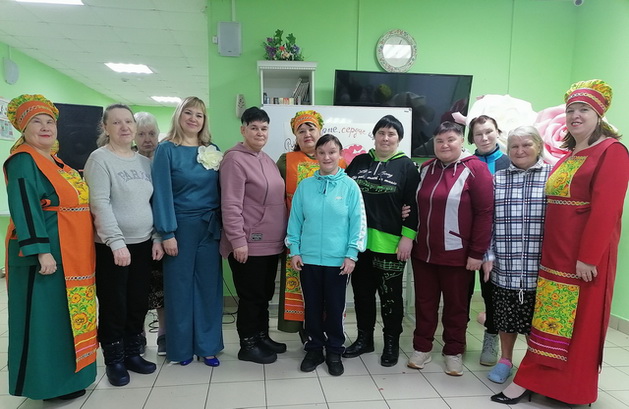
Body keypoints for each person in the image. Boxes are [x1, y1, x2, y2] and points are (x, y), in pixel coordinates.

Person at [492, 80, 629, 405]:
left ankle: (567, 389)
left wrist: (588, 257)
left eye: (584, 110)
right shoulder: (571, 155)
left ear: (599, 114)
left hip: (582, 264)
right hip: (554, 259)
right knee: (550, 325)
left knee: (577, 329)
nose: (575, 116)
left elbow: (607, 210)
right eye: (570, 110)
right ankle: (537, 381)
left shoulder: (612, 151)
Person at [4, 94, 97, 400]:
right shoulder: (23, 160)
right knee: (45, 320)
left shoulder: (57, 162)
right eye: (36, 122)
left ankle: (71, 378)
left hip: (73, 254)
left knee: (68, 317)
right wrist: (41, 251)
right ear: (23, 127)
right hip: (48, 254)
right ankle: (47, 384)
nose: (45, 127)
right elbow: (25, 205)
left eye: (50, 122)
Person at [84, 104, 161, 386]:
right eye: (116, 122)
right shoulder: (99, 159)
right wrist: (115, 242)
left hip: (143, 244)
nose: (124, 127)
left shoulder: (144, 162)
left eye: (128, 121)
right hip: (112, 248)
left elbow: (153, 203)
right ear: (105, 128)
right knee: (114, 304)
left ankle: (132, 354)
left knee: (137, 303)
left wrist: (157, 237)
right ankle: (114, 360)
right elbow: (99, 203)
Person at [408, 121, 493, 376]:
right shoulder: (426, 168)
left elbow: (485, 213)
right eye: (439, 141)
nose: (444, 145)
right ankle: (422, 347)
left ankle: (453, 351)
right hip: (423, 252)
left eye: (450, 140)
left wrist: (477, 253)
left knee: (456, 306)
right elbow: (415, 204)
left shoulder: (476, 169)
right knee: (424, 304)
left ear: (461, 141)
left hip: (458, 255)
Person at [286, 134, 367, 376]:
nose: (327, 157)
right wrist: (294, 250)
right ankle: (314, 348)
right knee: (311, 307)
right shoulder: (305, 186)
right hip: (308, 259)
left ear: (340, 154)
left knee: (334, 307)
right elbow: (295, 220)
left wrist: (351, 254)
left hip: (338, 261)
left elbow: (358, 222)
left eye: (332, 152)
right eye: (321, 152)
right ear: (316, 155)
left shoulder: (350, 186)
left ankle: (334, 349)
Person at [152, 96, 223, 367]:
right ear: (179, 116)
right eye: (188, 113)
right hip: (179, 227)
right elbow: (161, 193)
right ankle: (181, 349)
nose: (194, 119)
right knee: (179, 289)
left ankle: (208, 346)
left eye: (199, 115)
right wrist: (166, 233)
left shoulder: (212, 149)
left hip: (209, 227)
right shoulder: (166, 149)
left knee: (208, 289)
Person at [344, 114, 420, 367]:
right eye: (381, 133)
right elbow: (345, 194)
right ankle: (364, 339)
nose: (385, 138)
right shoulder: (359, 162)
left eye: (391, 134)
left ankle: (391, 343)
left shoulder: (407, 167)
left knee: (391, 298)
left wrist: (407, 237)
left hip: (391, 245)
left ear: (399, 138)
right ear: (374, 136)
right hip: (359, 244)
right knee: (362, 295)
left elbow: (413, 205)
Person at [481, 126, 551, 384]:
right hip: (506, 264)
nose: (520, 151)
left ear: (538, 146)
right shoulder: (497, 180)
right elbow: (487, 223)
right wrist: (488, 255)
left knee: (538, 321)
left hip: (541, 267)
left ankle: (536, 364)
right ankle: (506, 360)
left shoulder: (552, 176)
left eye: (526, 145)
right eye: (514, 146)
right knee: (506, 317)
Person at [220, 107, 287, 364]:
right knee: (251, 296)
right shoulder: (234, 160)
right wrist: (238, 241)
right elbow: (230, 204)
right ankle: (247, 344)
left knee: (264, 294)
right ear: (243, 130)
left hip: (272, 243)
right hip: (248, 243)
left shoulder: (267, 159)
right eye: (254, 128)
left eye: (264, 128)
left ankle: (261, 336)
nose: (260, 133)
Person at [276, 110, 346, 339]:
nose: (307, 134)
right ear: (295, 136)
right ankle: (306, 332)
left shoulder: (341, 163)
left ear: (320, 131)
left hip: (333, 242)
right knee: (301, 286)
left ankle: (329, 332)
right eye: (301, 130)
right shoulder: (286, 161)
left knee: (331, 292)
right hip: (297, 237)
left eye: (311, 128)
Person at [467, 114, 511, 366]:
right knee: (462, 293)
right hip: (468, 240)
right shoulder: (466, 163)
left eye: (489, 132)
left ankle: (491, 337)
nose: (484, 138)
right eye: (478, 134)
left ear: (497, 132)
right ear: (471, 138)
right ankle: (456, 338)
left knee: (491, 293)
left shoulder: (509, 162)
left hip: (500, 242)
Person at [134, 111, 166, 356]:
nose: (147, 139)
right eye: (142, 134)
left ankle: (164, 334)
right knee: (138, 289)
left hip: (163, 233)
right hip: (137, 236)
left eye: (152, 133)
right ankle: (138, 334)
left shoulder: (164, 159)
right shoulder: (130, 161)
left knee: (162, 288)